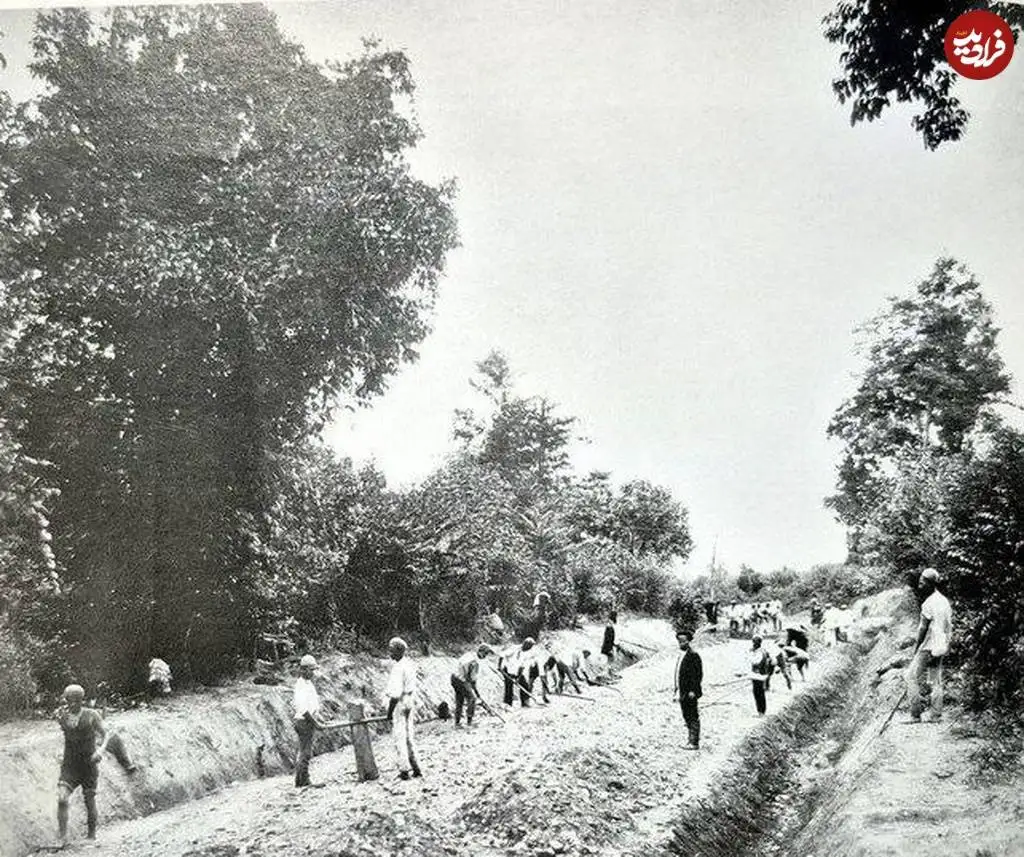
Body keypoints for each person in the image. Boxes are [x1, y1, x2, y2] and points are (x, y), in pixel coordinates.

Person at [56, 684, 109, 846]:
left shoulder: (91, 715)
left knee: (89, 799)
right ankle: (62, 837)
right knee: (62, 798)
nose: (74, 704)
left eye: (77, 701)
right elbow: (65, 731)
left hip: (88, 764)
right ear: (66, 700)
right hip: (70, 765)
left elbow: (106, 733)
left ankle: (91, 836)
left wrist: (100, 750)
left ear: (82, 700)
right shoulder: (62, 716)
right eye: (70, 701)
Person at [905, 567, 953, 723]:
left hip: (928, 646)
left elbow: (923, 628)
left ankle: (915, 714)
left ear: (930, 583)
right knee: (935, 679)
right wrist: (946, 644)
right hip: (940, 646)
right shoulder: (944, 601)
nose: (920, 585)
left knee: (911, 677)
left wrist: (916, 647)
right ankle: (935, 715)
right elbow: (948, 626)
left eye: (922, 582)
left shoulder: (928, 603)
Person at [386, 637, 422, 779]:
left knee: (400, 737)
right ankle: (416, 767)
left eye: (392, 650)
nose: (390, 653)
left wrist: (389, 712)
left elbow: (395, 694)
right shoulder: (409, 664)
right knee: (409, 736)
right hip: (409, 700)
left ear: (399, 650)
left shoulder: (398, 668)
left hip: (400, 702)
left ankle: (404, 770)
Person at [293, 654, 326, 788]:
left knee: (304, 751)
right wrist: (315, 723)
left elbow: (312, 705)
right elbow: (303, 709)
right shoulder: (301, 685)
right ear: (303, 670)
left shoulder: (308, 683)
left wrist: (319, 718)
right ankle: (304, 780)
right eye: (311, 670)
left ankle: (299, 780)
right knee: (305, 753)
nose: (313, 673)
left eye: (313, 670)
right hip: (304, 721)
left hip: (308, 720)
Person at [673, 630, 703, 749]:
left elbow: (698, 675)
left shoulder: (693, 655)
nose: (681, 643)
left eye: (684, 641)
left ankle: (694, 742)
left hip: (690, 692)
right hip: (682, 690)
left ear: (689, 641)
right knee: (686, 714)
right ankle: (690, 740)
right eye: (679, 641)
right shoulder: (681, 655)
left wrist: (693, 691)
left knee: (692, 715)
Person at [451, 645, 491, 727]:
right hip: (461, 679)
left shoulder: (469, 654)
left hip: (454, 678)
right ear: (480, 652)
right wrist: (476, 692)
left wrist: (472, 687)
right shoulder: (474, 662)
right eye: (485, 654)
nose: (485, 656)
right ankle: (469, 722)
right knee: (472, 699)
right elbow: (471, 679)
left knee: (459, 700)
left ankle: (457, 723)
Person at [737, 636, 771, 716]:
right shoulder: (763, 651)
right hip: (760, 674)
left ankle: (761, 712)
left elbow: (756, 662)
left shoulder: (759, 652)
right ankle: (761, 711)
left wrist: (750, 655)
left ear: (758, 643)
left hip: (759, 675)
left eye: (754, 642)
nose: (753, 644)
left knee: (758, 693)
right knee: (759, 692)